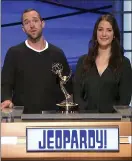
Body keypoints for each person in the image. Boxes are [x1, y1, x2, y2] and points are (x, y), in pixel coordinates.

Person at [1, 8, 72, 114]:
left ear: (42, 23)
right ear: (23, 29)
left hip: (53, 119)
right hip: (22, 118)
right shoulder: (14, 53)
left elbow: (67, 85)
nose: (32, 25)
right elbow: (6, 83)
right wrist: (6, 99)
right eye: (27, 22)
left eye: (35, 20)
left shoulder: (57, 53)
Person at [73, 14, 132, 113]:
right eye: (100, 29)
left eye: (109, 30)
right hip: (86, 121)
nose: (104, 34)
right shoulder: (83, 62)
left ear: (114, 35)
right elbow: (77, 97)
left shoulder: (124, 63)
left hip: (113, 123)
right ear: (96, 33)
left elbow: (124, 101)